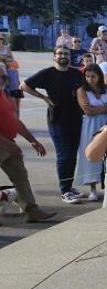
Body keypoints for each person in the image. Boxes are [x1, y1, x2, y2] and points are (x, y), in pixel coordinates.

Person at [20, 47, 86, 204]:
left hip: (76, 119)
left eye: (66, 54)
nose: (63, 56)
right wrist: (43, 97)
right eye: (60, 54)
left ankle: (69, 187)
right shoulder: (47, 73)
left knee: (72, 155)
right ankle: (65, 191)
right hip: (57, 120)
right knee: (64, 156)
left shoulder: (76, 73)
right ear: (54, 57)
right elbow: (24, 85)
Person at [0, 71, 56, 223]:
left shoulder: (4, 95)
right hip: (4, 144)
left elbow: (15, 121)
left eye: (4, 78)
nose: (3, 80)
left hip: (10, 143)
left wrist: (33, 141)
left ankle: (31, 210)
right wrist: (6, 145)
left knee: (20, 177)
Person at [74, 65, 107, 201]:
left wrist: (101, 108)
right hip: (89, 126)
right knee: (90, 155)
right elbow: (88, 110)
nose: (90, 79)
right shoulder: (82, 90)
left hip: (106, 123)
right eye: (87, 76)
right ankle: (92, 188)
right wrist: (105, 107)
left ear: (99, 77)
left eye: (93, 76)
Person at [0, 34, 23, 115]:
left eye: (1, 39)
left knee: (13, 71)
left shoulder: (7, 48)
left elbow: (12, 60)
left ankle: (17, 119)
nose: (0, 40)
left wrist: (7, 61)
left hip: (9, 70)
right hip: (3, 71)